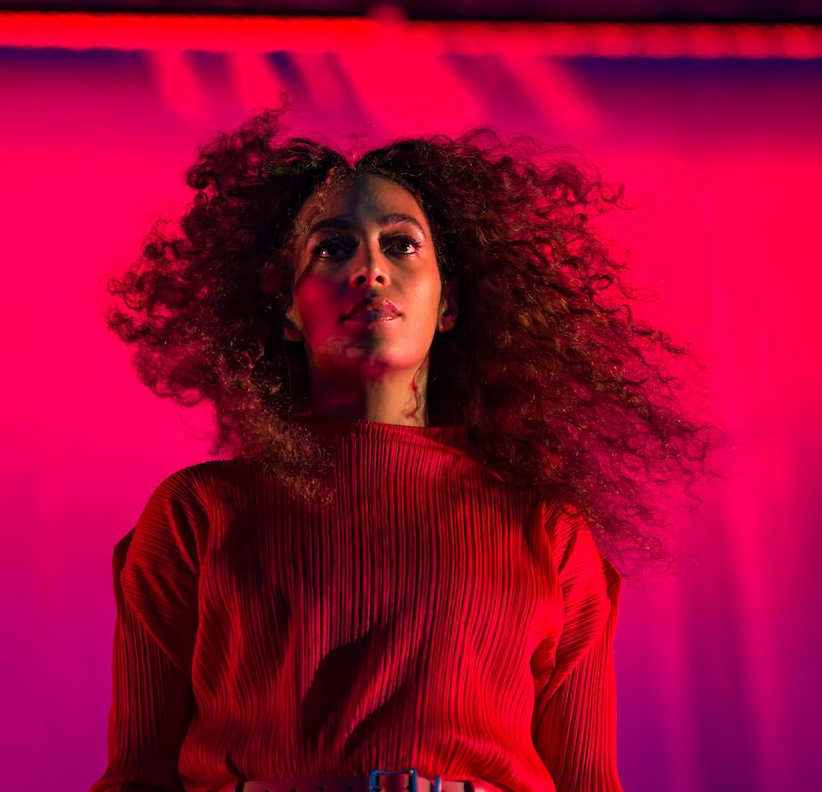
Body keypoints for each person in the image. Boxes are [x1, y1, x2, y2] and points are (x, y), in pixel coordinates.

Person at [89, 108, 722, 792]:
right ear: (287, 310)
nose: (371, 270)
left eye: (401, 245)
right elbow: (137, 779)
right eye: (333, 249)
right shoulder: (196, 514)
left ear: (449, 303)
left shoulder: (548, 532)